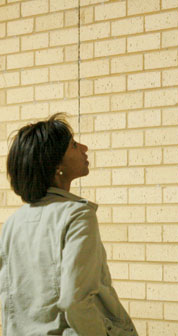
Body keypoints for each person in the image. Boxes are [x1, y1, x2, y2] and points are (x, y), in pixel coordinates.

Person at [0, 114, 137, 335]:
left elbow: (9, 304)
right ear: (56, 165)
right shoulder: (78, 216)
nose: (84, 148)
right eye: (73, 145)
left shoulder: (11, 225)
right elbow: (76, 302)